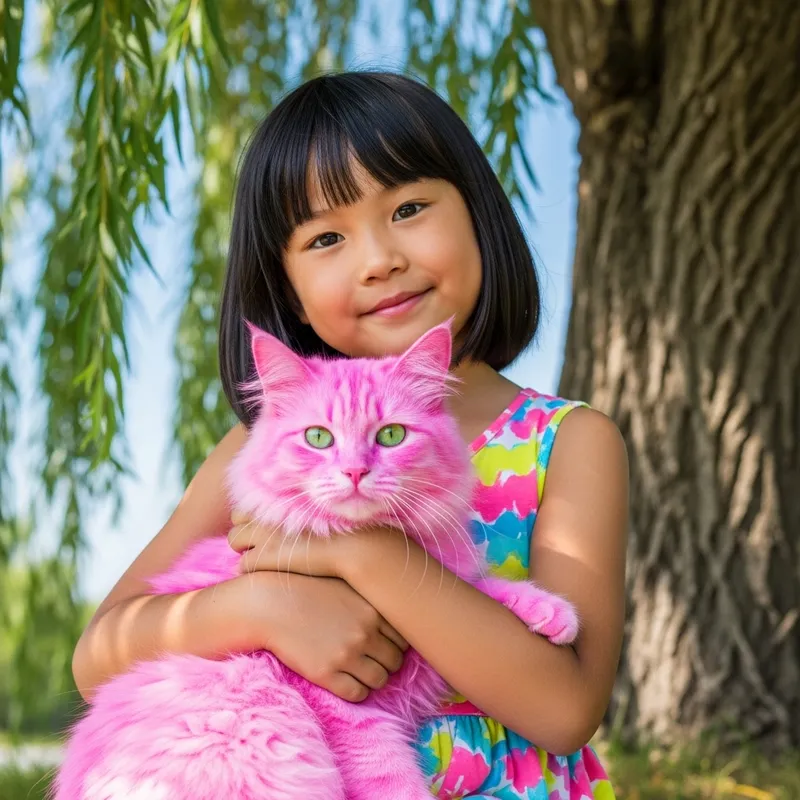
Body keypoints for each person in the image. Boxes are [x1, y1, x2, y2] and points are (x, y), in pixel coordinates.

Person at [72, 71, 628, 799]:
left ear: (480, 214)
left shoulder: (565, 441)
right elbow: (99, 655)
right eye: (327, 236)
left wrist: (358, 550)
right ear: (287, 290)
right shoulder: (259, 448)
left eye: (410, 207)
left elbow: (563, 710)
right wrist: (256, 607)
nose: (379, 260)